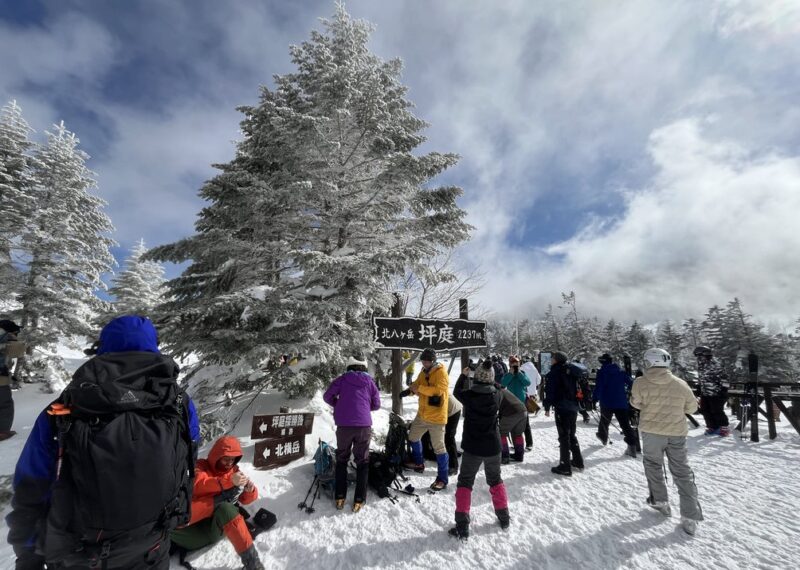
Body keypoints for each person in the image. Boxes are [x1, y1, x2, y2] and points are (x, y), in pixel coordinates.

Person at [6, 315, 200, 570]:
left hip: (81, 556)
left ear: (103, 347)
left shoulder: (70, 404)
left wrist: (28, 553)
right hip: (152, 546)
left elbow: (32, 483)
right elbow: (188, 462)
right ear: (154, 345)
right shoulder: (178, 402)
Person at [631, 348, 703, 536]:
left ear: (649, 362)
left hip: (651, 431)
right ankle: (690, 516)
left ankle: (660, 501)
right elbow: (692, 408)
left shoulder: (640, 382)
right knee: (682, 471)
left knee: (653, 464)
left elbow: (635, 403)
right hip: (676, 432)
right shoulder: (680, 384)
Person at [170, 436, 264, 569]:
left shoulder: (234, 471)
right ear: (216, 456)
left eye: (233, 459)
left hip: (216, 528)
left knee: (226, 508)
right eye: (226, 458)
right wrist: (228, 482)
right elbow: (198, 485)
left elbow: (245, 500)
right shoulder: (200, 466)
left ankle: (254, 565)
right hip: (190, 532)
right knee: (167, 518)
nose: (229, 463)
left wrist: (250, 490)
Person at [449, 360, 509, 540]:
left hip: (473, 447)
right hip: (493, 446)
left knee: (465, 482)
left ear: (477, 379)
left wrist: (464, 374)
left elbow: (456, 392)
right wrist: (492, 379)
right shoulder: (498, 394)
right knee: (495, 480)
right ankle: (504, 517)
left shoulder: (469, 395)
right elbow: (498, 385)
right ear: (490, 379)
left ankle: (462, 525)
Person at [322, 356, 381, 512]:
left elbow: (327, 396)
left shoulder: (341, 380)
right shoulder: (370, 382)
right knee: (362, 461)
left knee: (342, 459)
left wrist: (339, 405)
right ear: (363, 368)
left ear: (349, 367)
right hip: (363, 426)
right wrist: (363, 407)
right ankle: (359, 499)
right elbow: (376, 405)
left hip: (344, 426)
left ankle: (340, 496)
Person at [404, 348, 450, 491]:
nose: (425, 363)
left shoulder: (441, 372)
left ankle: (442, 478)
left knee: (439, 448)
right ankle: (419, 463)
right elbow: (416, 385)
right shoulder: (423, 373)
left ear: (433, 360)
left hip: (437, 417)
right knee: (413, 437)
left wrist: (419, 389)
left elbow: (438, 390)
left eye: (427, 360)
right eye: (423, 360)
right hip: (422, 415)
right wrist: (409, 391)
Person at [544, 351, 584, 476]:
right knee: (571, 434)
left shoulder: (555, 372)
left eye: (553, 358)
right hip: (573, 406)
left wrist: (546, 406)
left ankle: (564, 465)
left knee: (563, 436)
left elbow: (550, 391)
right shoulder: (571, 370)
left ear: (557, 360)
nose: (551, 360)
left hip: (562, 407)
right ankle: (578, 461)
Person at [594, 353, 639, 457]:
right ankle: (632, 446)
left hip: (607, 402)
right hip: (621, 402)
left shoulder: (602, 372)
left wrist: (594, 398)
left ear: (602, 361)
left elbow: (599, 386)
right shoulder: (620, 372)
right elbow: (631, 383)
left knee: (604, 421)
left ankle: (603, 436)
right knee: (625, 424)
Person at [421, 394, 462, 476]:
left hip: (453, 410)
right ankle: (429, 454)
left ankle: (453, 466)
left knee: (449, 437)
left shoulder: (435, 390)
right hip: (441, 409)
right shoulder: (424, 391)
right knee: (426, 431)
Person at [693, 346, 730, 436]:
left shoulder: (716, 363)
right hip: (705, 392)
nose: (698, 358)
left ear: (705, 354)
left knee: (717, 410)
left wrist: (724, 390)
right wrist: (699, 388)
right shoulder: (701, 365)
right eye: (697, 356)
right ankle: (712, 427)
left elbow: (725, 378)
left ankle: (724, 427)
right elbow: (701, 378)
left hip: (717, 392)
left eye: (699, 355)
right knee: (705, 410)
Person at [0, 319, 24, 441]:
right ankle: (3, 432)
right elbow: (22, 350)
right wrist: (14, 338)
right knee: (5, 405)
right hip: (1, 380)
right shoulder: (6, 339)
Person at [497, 384, 528, 464]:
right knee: (518, 434)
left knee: (501, 433)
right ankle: (519, 455)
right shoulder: (505, 391)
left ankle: (505, 457)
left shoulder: (497, 393)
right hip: (523, 411)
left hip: (511, 412)